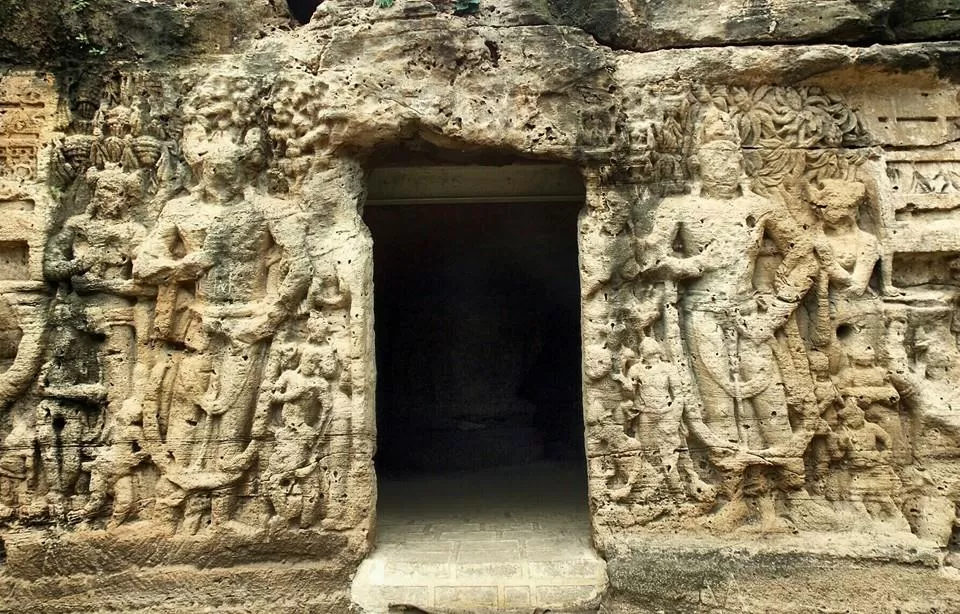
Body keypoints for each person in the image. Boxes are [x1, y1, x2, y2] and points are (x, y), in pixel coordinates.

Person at [639, 108, 818, 529]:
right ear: (697, 162)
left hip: (750, 315)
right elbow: (648, 261)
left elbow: (805, 254)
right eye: (715, 157)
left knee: (770, 400)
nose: (725, 165)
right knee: (718, 408)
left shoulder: (761, 207)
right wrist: (696, 262)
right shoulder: (677, 207)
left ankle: (797, 493)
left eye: (731, 156)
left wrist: (776, 310)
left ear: (742, 159)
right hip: (700, 316)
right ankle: (736, 496)